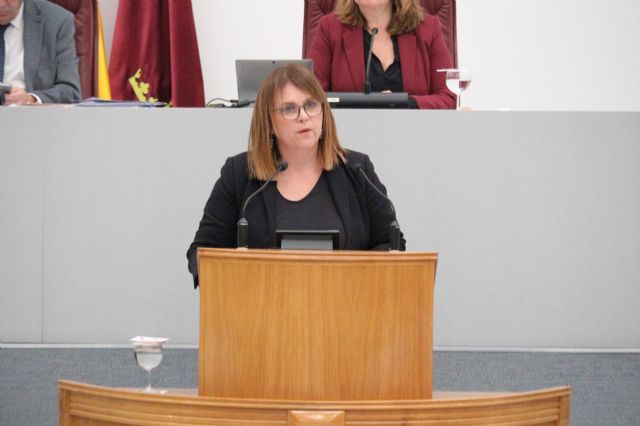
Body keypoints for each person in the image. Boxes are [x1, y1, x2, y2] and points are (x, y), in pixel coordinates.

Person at [187, 64, 405, 288]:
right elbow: (202, 253)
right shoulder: (240, 173)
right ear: (269, 122)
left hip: (347, 313)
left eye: (311, 105)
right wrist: (242, 281)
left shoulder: (358, 170)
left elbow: (392, 242)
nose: (304, 116)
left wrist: (352, 279)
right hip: (261, 316)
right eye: (289, 109)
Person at [307, 0, 455, 109]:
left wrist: (405, 104)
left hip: (415, 137)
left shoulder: (428, 29)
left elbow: (449, 97)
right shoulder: (330, 28)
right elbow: (310, 96)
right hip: (347, 141)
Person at [0, 0, 81, 105]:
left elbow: (70, 91)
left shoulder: (57, 21)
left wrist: (30, 99)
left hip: (27, 114)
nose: (1, 4)